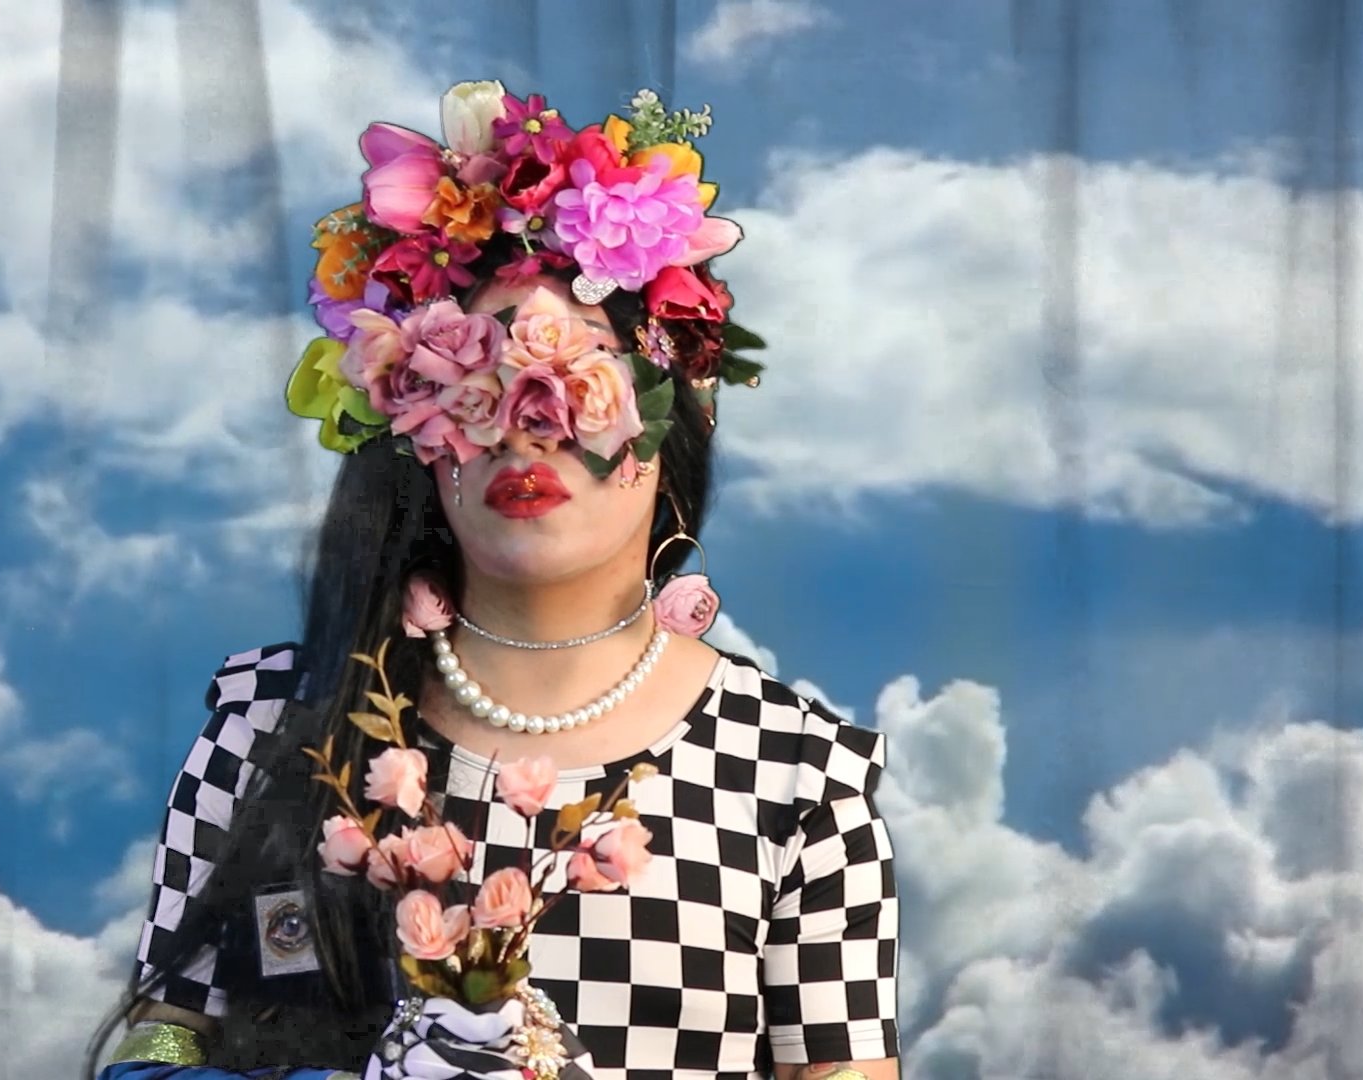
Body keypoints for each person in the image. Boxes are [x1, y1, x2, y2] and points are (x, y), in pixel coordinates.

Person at [84, 80, 901, 1080]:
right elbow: (164, 1041)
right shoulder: (270, 726)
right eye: (472, 381)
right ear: (410, 433)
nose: (523, 427)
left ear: (671, 428)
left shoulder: (794, 774)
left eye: (574, 380)